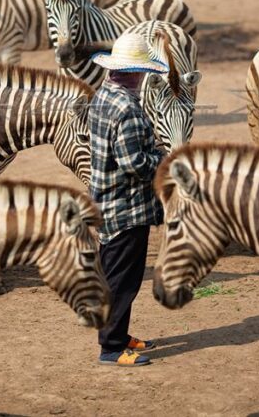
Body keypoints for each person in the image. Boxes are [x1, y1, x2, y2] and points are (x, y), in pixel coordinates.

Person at [88, 33, 168, 366]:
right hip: (127, 208)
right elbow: (134, 163)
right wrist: (163, 161)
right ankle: (111, 348)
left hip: (105, 204)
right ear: (136, 72)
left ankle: (118, 336)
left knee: (112, 274)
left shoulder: (103, 95)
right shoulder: (129, 109)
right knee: (122, 280)